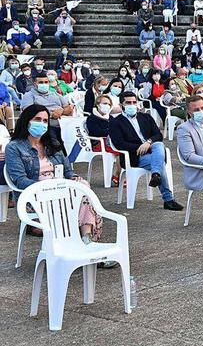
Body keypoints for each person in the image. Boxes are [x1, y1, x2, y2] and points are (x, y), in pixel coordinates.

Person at [6, 104, 111, 256]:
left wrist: (76, 180)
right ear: (27, 121)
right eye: (37, 119)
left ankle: (87, 241)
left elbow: (68, 172)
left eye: (44, 121)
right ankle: (87, 246)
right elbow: (20, 180)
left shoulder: (53, 144)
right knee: (78, 200)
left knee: (83, 190)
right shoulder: (14, 147)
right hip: (34, 196)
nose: (41, 124)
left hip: (62, 190)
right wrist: (49, 187)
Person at [109, 92, 183, 210]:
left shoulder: (146, 117)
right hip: (133, 156)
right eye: (128, 102)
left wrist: (148, 143)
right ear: (121, 104)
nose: (132, 105)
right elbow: (119, 143)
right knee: (160, 164)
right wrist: (139, 147)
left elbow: (158, 135)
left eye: (134, 102)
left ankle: (155, 175)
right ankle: (168, 199)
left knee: (158, 144)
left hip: (152, 150)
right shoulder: (115, 122)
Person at [21, 72, 73, 140]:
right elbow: (28, 112)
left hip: (64, 126)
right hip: (45, 127)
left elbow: (68, 108)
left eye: (46, 82)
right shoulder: (29, 96)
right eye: (41, 82)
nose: (44, 84)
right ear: (34, 83)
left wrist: (61, 111)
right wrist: (50, 114)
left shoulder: (55, 94)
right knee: (56, 143)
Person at [86, 94, 123, 185]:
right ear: (98, 104)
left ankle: (118, 175)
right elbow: (96, 131)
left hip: (110, 141)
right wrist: (111, 131)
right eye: (104, 103)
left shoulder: (110, 117)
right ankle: (119, 176)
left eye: (109, 104)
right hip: (98, 143)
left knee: (125, 148)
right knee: (119, 150)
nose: (107, 106)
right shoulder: (91, 118)